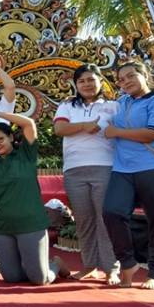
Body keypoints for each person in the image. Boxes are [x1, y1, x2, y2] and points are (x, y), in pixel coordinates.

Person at [102, 61, 154, 290]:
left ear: (144, 74)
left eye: (130, 76)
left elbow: (152, 134)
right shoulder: (121, 102)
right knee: (112, 212)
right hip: (122, 169)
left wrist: (116, 132)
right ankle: (128, 263)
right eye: (121, 79)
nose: (125, 82)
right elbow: (101, 118)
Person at [0, 113, 66, 286]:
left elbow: (29, 124)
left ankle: (54, 265)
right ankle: (35, 265)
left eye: (0, 139)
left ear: (10, 137)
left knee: (39, 279)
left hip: (31, 224)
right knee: (12, 277)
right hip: (4, 227)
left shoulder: (26, 154)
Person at [53, 64, 120, 283]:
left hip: (105, 166)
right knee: (83, 220)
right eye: (81, 81)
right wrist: (84, 125)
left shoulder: (113, 106)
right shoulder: (67, 105)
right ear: (76, 85)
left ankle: (111, 268)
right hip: (74, 169)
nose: (87, 84)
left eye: (91, 79)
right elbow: (59, 129)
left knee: (104, 218)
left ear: (101, 81)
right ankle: (89, 265)